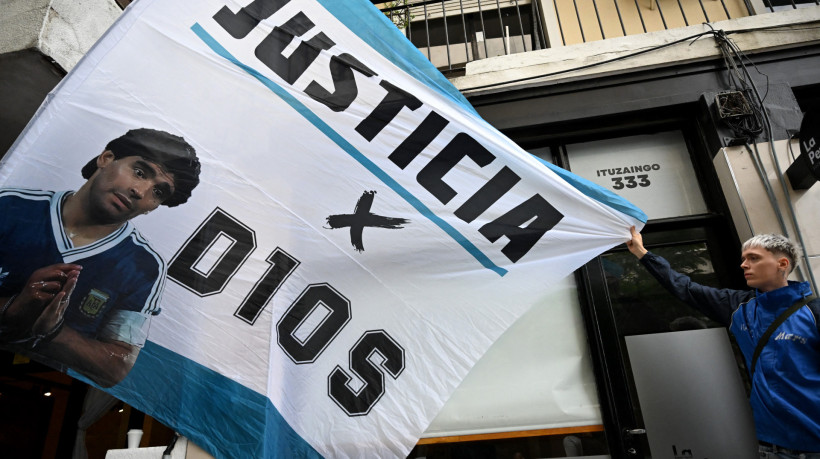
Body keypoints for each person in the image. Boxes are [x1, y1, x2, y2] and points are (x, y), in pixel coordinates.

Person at [0, 128, 200, 387]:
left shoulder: (144, 266)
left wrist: (53, 331)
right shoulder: (9, 206)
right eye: (139, 172)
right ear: (106, 158)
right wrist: (12, 309)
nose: (140, 191)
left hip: (44, 395)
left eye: (159, 192)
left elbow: (117, 366)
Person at [626, 226, 820, 458]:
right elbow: (686, 288)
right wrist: (642, 253)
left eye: (754, 258)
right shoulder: (738, 307)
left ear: (782, 264)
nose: (744, 265)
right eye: (743, 259)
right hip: (772, 445)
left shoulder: (813, 312)